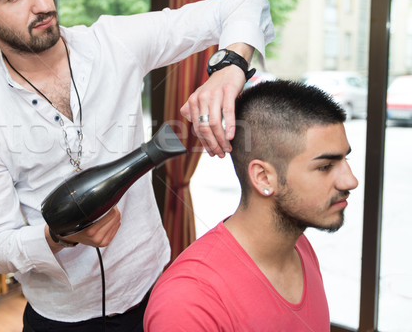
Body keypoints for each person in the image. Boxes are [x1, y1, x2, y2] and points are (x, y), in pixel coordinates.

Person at [0, 0, 274, 330]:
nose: (43, 3)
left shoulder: (114, 44)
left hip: (155, 291)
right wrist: (56, 238)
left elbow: (244, 3)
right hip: (62, 318)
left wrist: (229, 68)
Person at [144, 80, 359, 332]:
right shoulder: (188, 302)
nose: (350, 180)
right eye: (325, 166)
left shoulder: (300, 247)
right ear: (263, 177)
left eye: (345, 159)